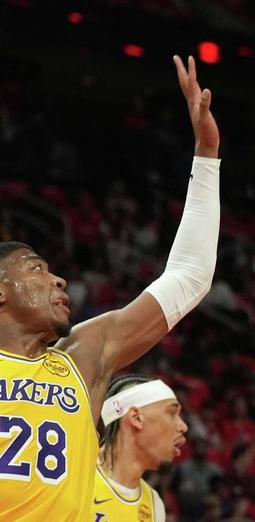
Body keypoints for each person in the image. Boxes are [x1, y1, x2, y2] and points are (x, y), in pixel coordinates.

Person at [0, 55, 221, 521]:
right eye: (36, 269)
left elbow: (189, 277)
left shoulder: (80, 360)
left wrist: (206, 155)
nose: (57, 278)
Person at [92, 375, 188, 522]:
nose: (183, 427)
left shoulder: (155, 506)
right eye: (172, 413)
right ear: (136, 418)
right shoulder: (76, 475)